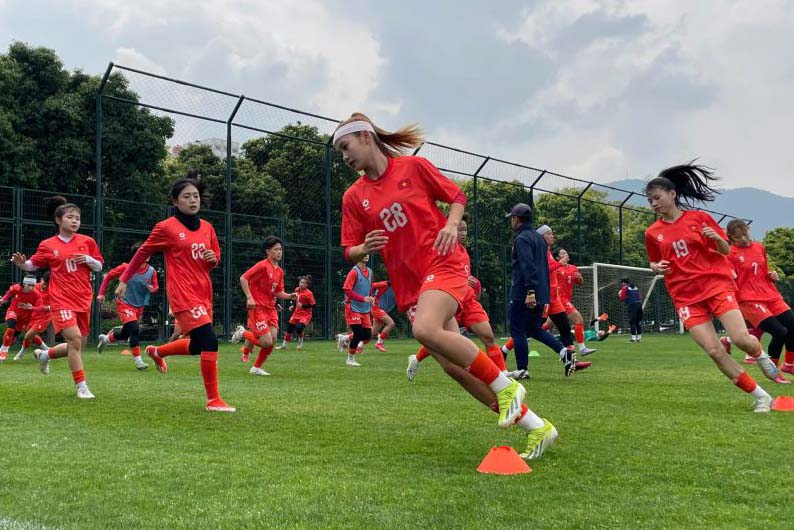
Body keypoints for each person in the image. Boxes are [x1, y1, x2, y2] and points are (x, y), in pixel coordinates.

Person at [336, 113, 556, 461]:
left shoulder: (413, 167)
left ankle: (506, 385)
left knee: (425, 329)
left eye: (345, 146)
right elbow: (348, 248)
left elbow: (455, 195)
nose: (344, 157)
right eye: (339, 152)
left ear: (366, 137)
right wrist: (364, 248)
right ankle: (538, 427)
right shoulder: (353, 196)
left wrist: (452, 225)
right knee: (454, 368)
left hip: (443, 262)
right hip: (410, 284)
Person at [644, 162, 778, 412]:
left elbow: (725, 250)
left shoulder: (699, 218)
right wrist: (655, 267)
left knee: (740, 339)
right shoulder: (652, 232)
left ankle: (759, 354)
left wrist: (717, 239)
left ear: (672, 195)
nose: (654, 204)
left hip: (716, 286)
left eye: (657, 198)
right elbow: (653, 260)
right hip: (684, 297)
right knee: (715, 351)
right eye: (650, 200)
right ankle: (762, 397)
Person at [116, 177, 235, 412]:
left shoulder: (208, 228)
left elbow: (213, 259)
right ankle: (213, 401)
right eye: (186, 196)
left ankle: (157, 351)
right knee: (211, 340)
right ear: (175, 201)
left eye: (196, 196)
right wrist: (123, 279)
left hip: (203, 290)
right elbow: (142, 253)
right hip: (182, 291)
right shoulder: (166, 227)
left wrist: (213, 259)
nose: (193, 200)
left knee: (200, 346)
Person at [11, 196, 103, 399]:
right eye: (70, 217)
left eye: (78, 218)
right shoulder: (48, 245)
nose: (75, 221)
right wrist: (21, 264)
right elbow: (32, 265)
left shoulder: (88, 242)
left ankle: (46, 354)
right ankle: (81, 386)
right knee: (75, 339)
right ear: (58, 220)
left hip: (83, 299)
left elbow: (99, 266)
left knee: (78, 344)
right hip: (61, 299)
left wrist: (88, 259)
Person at [406, 213, 509, 380]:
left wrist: (474, 285)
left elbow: (466, 277)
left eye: (465, 230)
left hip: (468, 302)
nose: (463, 233)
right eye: (459, 229)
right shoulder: (442, 248)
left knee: (488, 336)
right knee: (441, 340)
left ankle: (503, 375)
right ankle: (416, 359)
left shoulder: (463, 252)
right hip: (449, 299)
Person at [506, 207, 578, 381]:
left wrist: (529, 292)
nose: (511, 221)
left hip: (524, 291)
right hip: (542, 291)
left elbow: (527, 266)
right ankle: (565, 353)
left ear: (517, 219)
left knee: (517, 329)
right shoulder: (539, 239)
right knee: (534, 329)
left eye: (512, 218)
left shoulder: (522, 239)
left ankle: (522, 369)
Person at [726, 219, 794, 382]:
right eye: (738, 237)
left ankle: (789, 364)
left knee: (792, 324)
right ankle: (773, 372)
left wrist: (771, 275)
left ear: (748, 230)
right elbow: (730, 277)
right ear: (731, 238)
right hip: (749, 299)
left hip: (770, 294)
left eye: (744, 234)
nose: (743, 238)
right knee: (780, 332)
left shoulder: (759, 247)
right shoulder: (731, 253)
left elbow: (762, 271)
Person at [232, 236, 298, 375]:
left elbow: (277, 291)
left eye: (280, 249)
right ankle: (242, 333)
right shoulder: (262, 265)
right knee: (266, 342)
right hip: (257, 308)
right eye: (276, 249)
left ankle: (256, 367)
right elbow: (243, 278)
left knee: (272, 339)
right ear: (268, 251)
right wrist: (249, 297)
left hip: (271, 308)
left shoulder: (279, 271)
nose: (279, 252)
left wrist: (289, 296)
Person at [96, 242, 159, 370]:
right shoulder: (126, 267)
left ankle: (106, 339)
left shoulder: (152, 271)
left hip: (139, 305)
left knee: (125, 333)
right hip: (124, 303)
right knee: (135, 329)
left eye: (148, 253)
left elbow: (156, 286)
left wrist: (153, 289)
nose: (147, 255)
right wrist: (101, 293)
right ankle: (138, 361)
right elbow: (108, 276)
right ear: (137, 255)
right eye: (143, 252)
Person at [552, 248, 597, 355]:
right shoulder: (555, 269)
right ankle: (582, 348)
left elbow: (580, 282)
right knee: (579, 320)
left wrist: (580, 278)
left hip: (566, 299)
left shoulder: (573, 268)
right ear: (558, 258)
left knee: (546, 325)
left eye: (566, 253)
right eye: (563, 254)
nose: (566, 255)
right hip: (559, 299)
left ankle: (528, 335)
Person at [341, 255, 375, 366]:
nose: (366, 255)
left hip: (364, 308)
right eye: (363, 253)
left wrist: (371, 298)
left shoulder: (370, 272)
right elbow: (347, 289)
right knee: (358, 334)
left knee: (367, 335)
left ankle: (345, 338)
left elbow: (370, 288)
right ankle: (350, 359)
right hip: (353, 306)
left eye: (367, 253)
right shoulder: (354, 272)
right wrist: (363, 298)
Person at [0, 276, 41, 361]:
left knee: (13, 335)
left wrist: (32, 307)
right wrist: (3, 299)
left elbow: (39, 308)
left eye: (33, 285)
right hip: (13, 312)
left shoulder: (36, 295)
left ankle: (3, 348)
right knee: (11, 328)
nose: (32, 287)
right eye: (29, 285)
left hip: (25, 319)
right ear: (24, 284)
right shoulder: (16, 288)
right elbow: (8, 294)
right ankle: (4, 349)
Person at [15, 271, 53, 360]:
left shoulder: (53, 291)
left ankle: (21, 353)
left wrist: (47, 307)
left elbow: (55, 305)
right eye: (44, 283)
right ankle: (47, 350)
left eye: (47, 285)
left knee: (28, 335)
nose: (45, 286)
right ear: (41, 279)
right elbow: (19, 289)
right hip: (31, 315)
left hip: (44, 317)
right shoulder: (34, 286)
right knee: (30, 334)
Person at [276, 275, 315, 350]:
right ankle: (284, 345)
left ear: (307, 285)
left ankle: (300, 340)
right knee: (289, 328)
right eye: (301, 282)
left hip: (306, 315)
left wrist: (303, 306)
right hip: (296, 313)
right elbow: (295, 299)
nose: (301, 284)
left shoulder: (309, 293)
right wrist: (293, 306)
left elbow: (313, 304)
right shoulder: (297, 289)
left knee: (299, 328)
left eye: (303, 283)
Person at [370, 280, 395, 352]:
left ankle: (348, 339)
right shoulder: (385, 284)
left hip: (377, 308)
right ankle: (379, 343)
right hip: (376, 308)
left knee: (373, 333)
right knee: (391, 323)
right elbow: (371, 285)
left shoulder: (388, 286)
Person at [619, 278, 643, 342]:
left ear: (624, 283)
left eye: (622, 283)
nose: (621, 285)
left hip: (632, 305)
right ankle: (639, 338)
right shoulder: (635, 287)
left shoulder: (625, 288)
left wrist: (620, 295)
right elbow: (639, 297)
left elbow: (622, 298)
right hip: (639, 304)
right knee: (637, 322)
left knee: (632, 322)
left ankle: (633, 338)